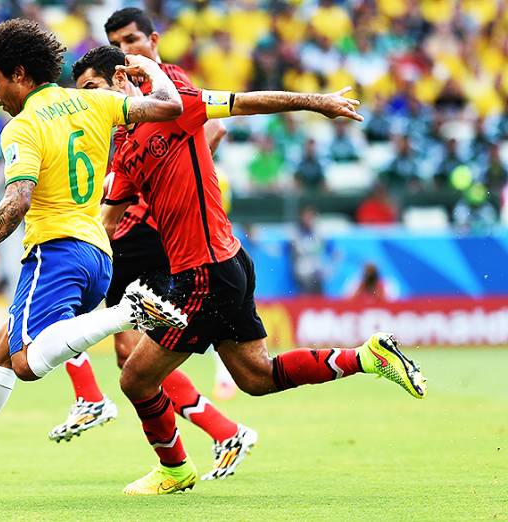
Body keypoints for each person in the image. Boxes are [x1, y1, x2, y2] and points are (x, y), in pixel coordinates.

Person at [86, 45, 426, 495]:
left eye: (93, 88)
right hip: (221, 266)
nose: (89, 99)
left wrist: (316, 102)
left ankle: (174, 470)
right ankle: (367, 357)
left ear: (122, 79)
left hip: (206, 270)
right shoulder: (124, 152)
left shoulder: (177, 105)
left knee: (135, 376)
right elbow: (105, 224)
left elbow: (244, 102)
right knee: (255, 378)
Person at [0, 19, 189, 494]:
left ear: (19, 74)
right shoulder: (95, 100)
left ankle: (127, 312)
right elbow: (171, 105)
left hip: (54, 251)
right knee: (1, 351)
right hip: (99, 253)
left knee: (26, 363)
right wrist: (145, 68)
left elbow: (16, 201)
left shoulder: (24, 126)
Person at [47, 7, 241, 447]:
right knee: (126, 352)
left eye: (132, 40)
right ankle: (224, 431)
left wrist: (154, 175)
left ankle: (91, 399)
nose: (124, 50)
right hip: (127, 226)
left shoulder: (164, 81)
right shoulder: (113, 94)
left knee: (64, 309)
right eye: (115, 43)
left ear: (153, 40)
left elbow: (213, 126)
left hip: (145, 230)